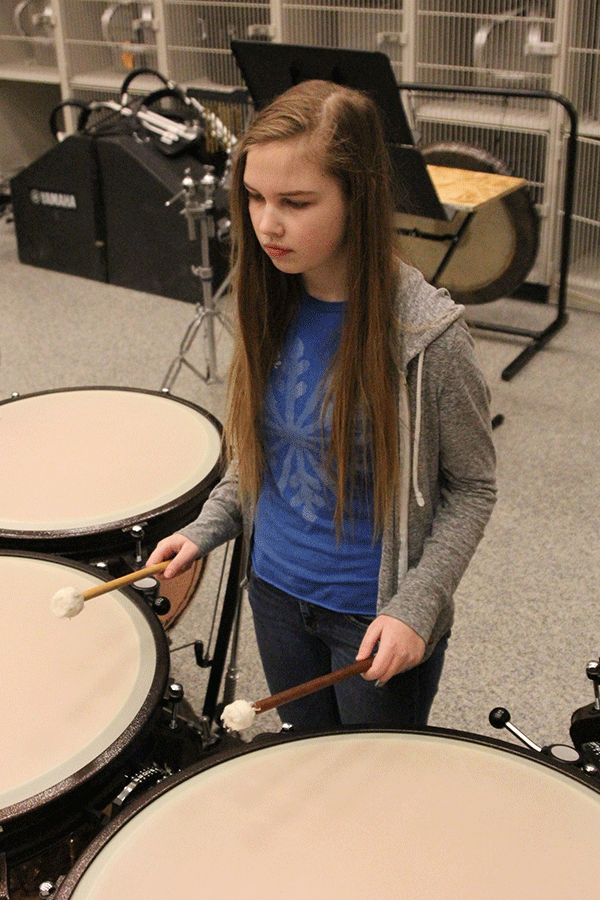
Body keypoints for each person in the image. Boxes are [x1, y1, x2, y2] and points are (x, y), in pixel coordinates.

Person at [147, 79, 497, 731]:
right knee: (305, 761)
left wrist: (416, 605)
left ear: (356, 199)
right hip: (276, 593)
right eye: (253, 197)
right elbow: (264, 454)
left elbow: (472, 487)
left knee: (368, 796)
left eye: (296, 202)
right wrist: (208, 526)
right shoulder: (269, 299)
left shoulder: (429, 336)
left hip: (372, 617)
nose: (266, 223)